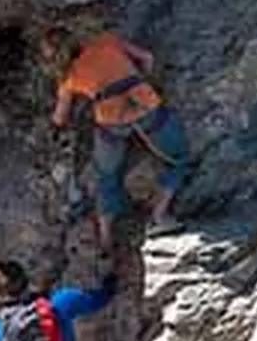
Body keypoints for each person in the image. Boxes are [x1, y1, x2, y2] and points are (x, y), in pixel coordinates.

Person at [50, 27, 190, 246]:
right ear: (76, 39)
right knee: (179, 157)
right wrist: (143, 80)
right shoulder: (106, 41)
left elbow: (60, 117)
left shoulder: (69, 77)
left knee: (107, 174)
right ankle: (158, 217)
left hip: (110, 121)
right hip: (144, 105)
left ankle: (106, 237)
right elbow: (147, 58)